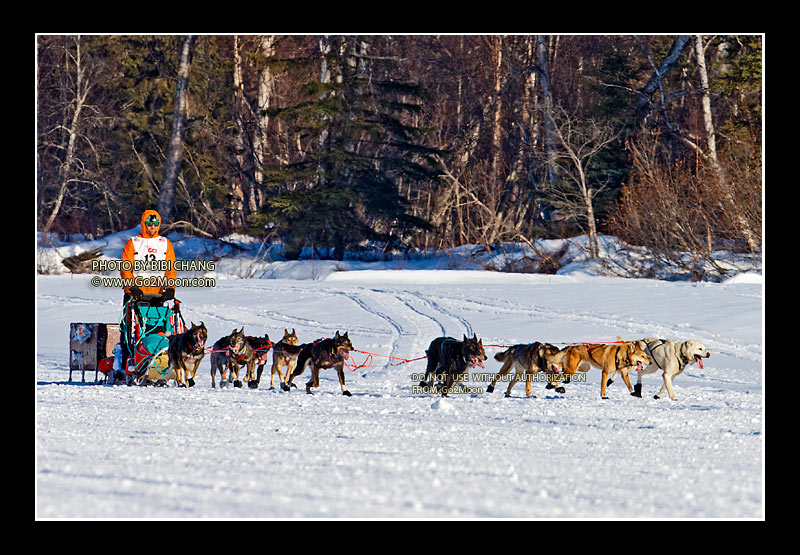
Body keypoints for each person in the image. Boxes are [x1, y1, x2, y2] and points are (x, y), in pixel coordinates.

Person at [119, 209, 177, 372]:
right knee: (130, 330)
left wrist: (170, 288)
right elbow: (125, 268)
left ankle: (159, 363)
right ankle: (127, 364)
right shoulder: (134, 242)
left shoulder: (165, 243)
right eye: (149, 224)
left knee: (158, 330)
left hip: (157, 295)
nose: (152, 227)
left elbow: (170, 269)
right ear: (144, 224)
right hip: (135, 294)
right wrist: (131, 286)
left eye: (155, 224)